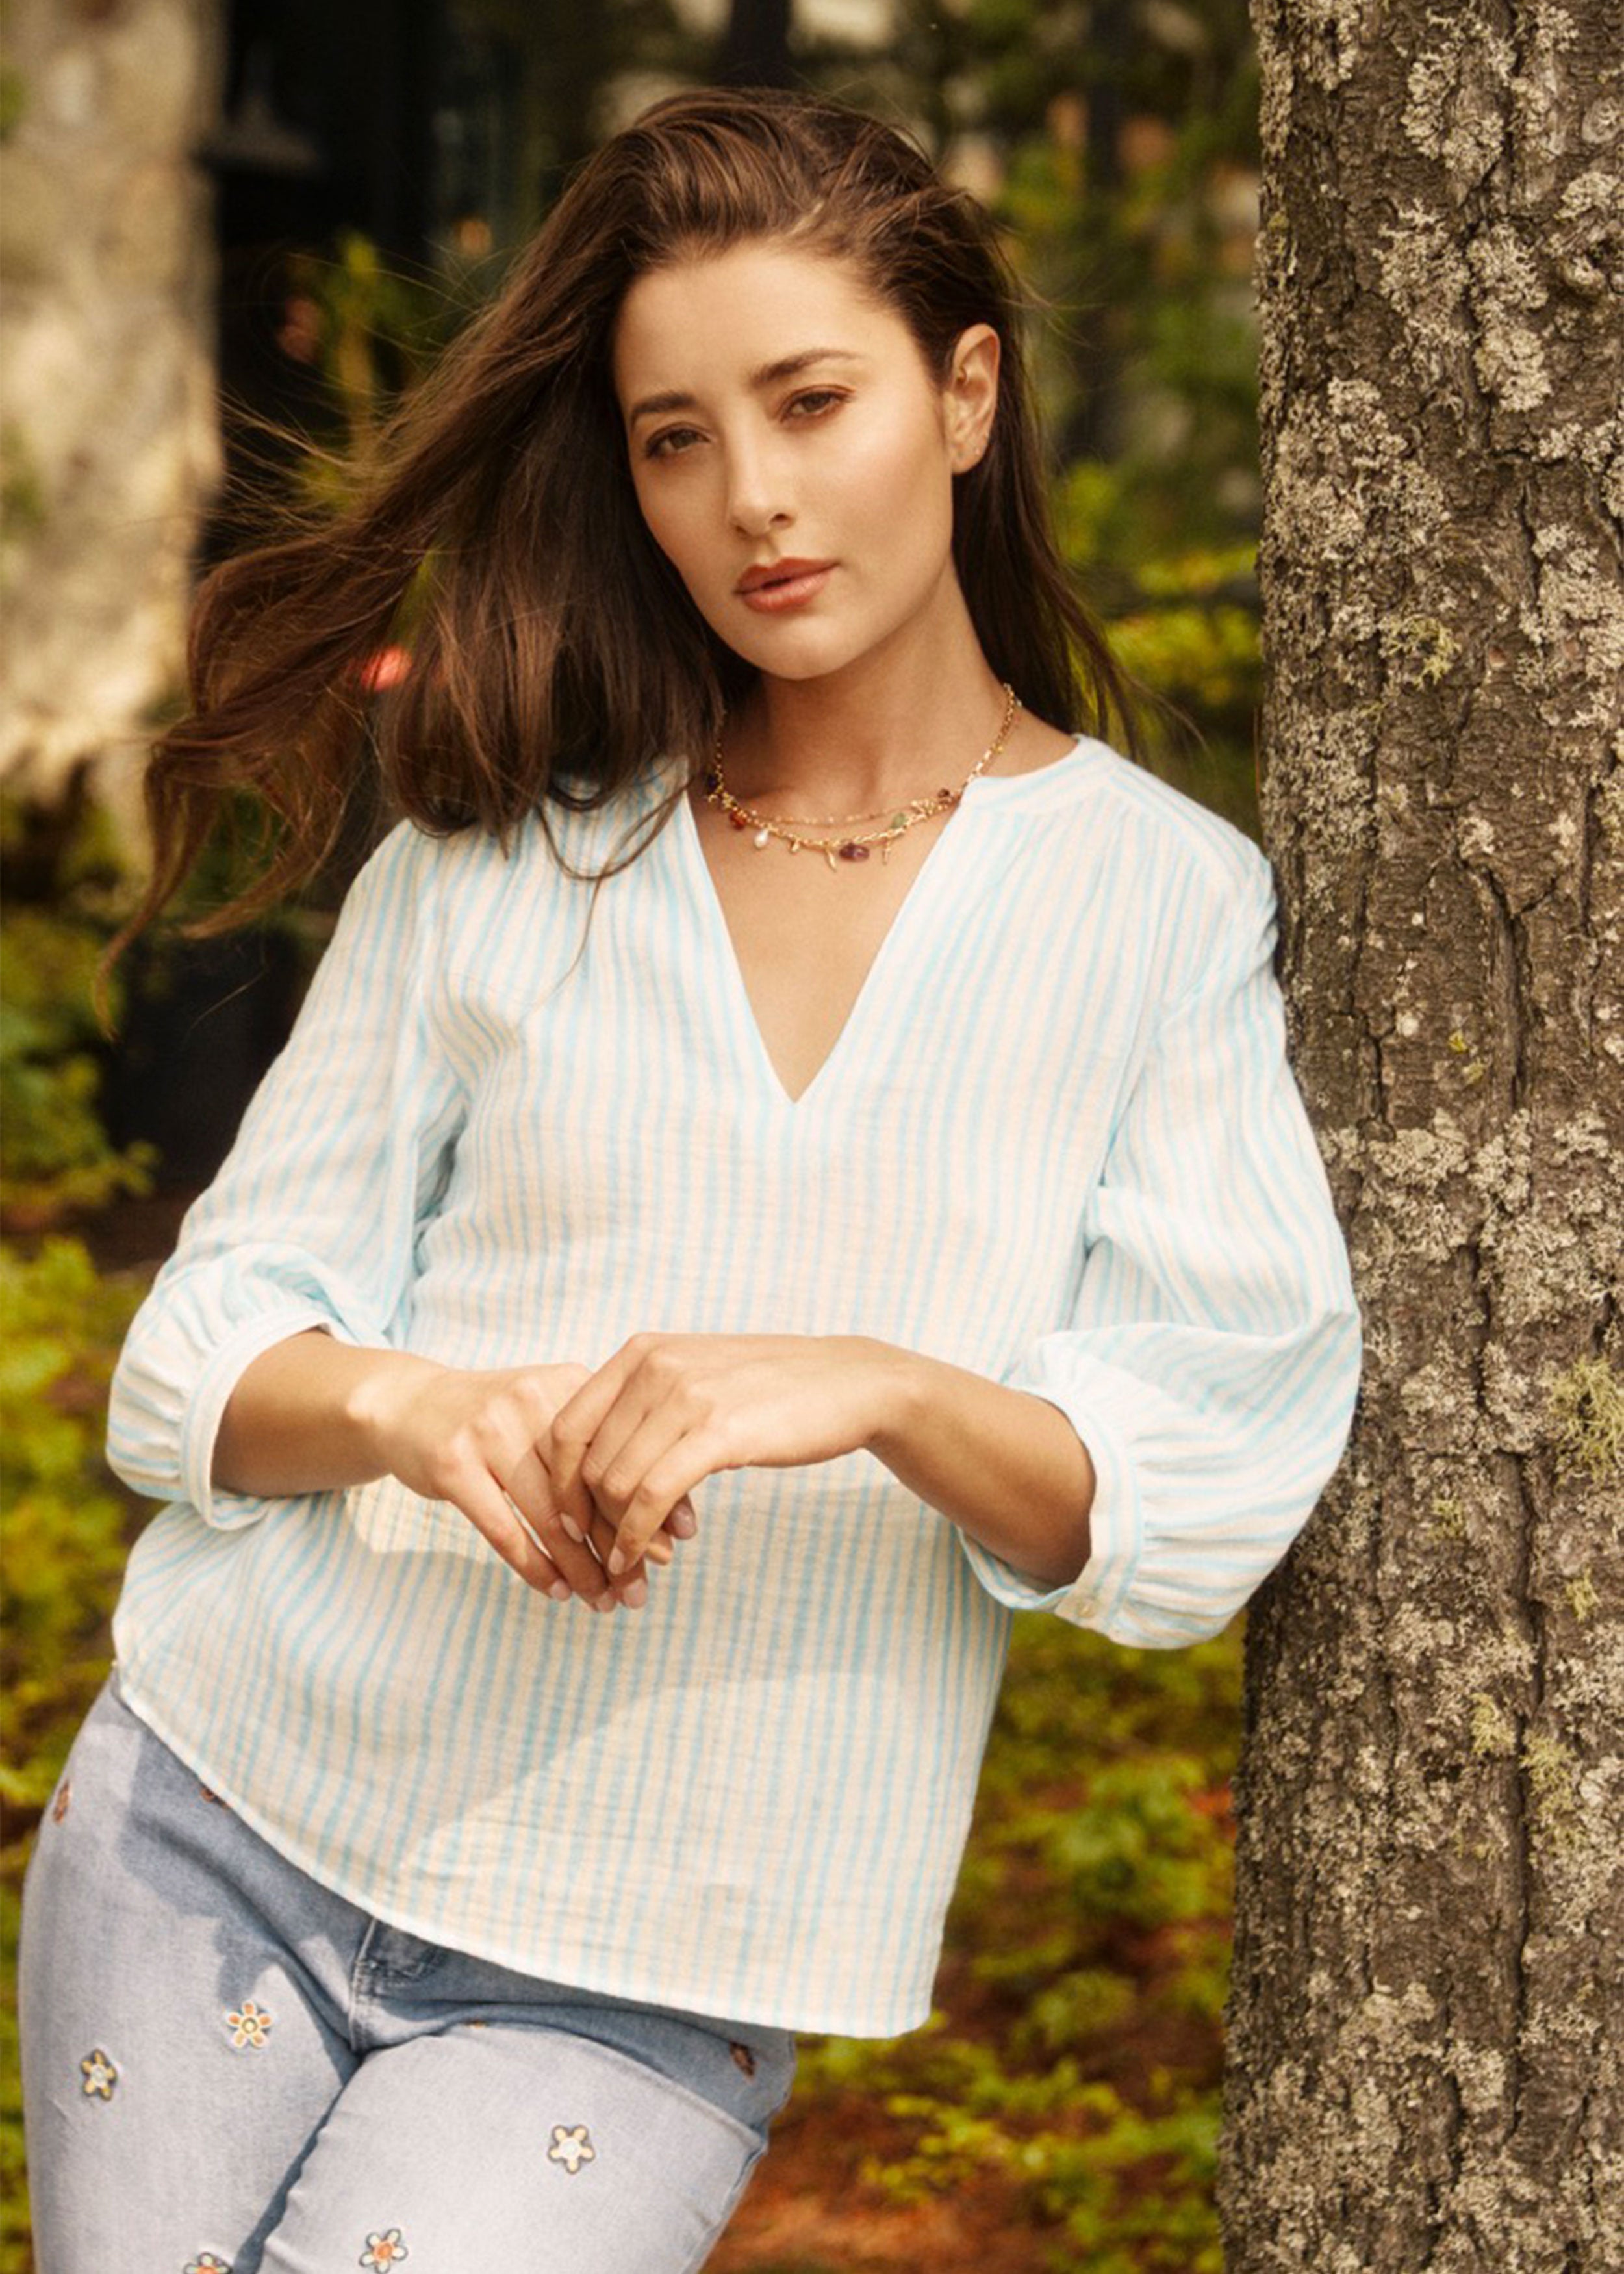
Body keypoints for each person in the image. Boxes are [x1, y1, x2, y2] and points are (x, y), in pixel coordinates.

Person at [19, 85, 1362, 2274]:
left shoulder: (1157, 902)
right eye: (670, 438)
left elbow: (1206, 1459)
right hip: (219, 1817)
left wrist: (874, 1385)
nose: (749, 499)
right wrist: (415, 1406)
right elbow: (197, 1356)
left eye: (808, 401)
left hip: (661, 1958)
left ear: (962, 390)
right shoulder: (508, 851)